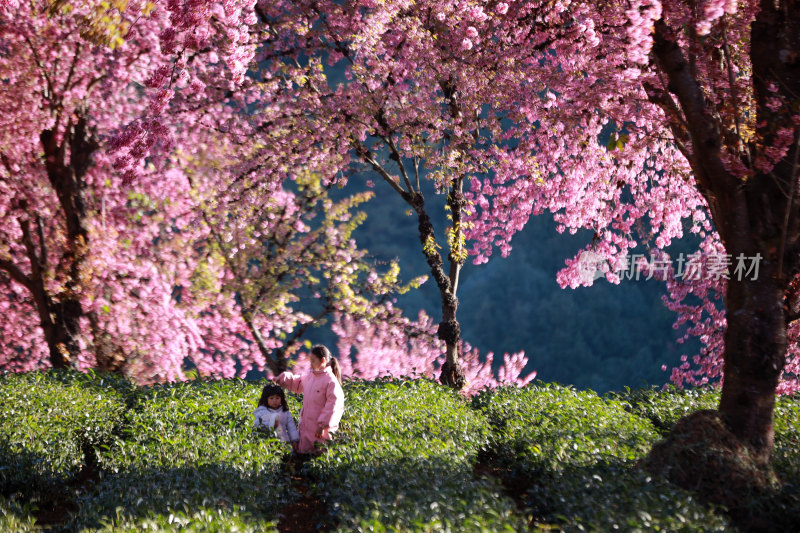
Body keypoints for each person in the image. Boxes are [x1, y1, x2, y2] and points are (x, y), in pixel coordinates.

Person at [275, 345, 345, 455]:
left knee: (316, 460)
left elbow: (334, 406)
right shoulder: (311, 377)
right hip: (306, 429)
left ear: (322, 361)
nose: (310, 364)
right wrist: (282, 379)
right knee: (304, 458)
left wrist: (323, 425)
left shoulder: (330, 382)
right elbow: (296, 382)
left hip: (320, 432)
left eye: (313, 361)